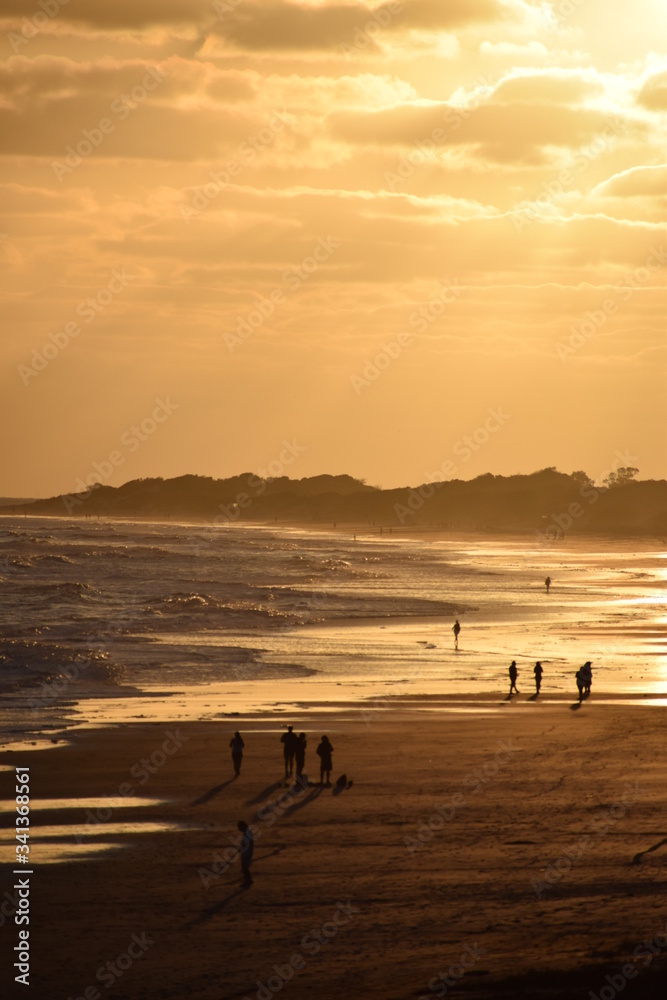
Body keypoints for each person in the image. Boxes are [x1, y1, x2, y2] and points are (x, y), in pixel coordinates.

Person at [237, 820, 254, 886]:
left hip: (247, 853)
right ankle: (248, 880)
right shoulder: (247, 832)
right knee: (245, 867)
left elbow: (248, 843)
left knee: (245, 867)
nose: (239, 829)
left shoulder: (248, 833)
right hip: (247, 852)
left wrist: (242, 847)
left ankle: (248, 881)